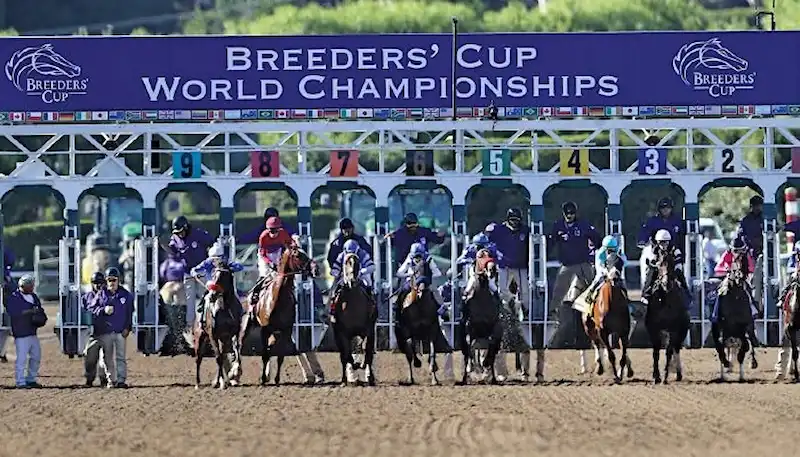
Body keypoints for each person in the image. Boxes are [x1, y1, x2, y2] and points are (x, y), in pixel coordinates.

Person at [546, 201, 602, 347]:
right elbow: (551, 243)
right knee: (558, 290)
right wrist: (544, 254)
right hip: (567, 264)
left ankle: (598, 310)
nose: (569, 216)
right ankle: (552, 314)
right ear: (563, 214)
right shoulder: (558, 226)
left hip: (583, 263)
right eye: (567, 213)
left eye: (571, 213)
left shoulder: (583, 225)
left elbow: (597, 239)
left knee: (593, 287)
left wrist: (597, 252)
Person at [85, 267, 135, 388]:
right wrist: (103, 310)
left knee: (120, 357)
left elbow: (130, 312)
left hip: (120, 331)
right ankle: (111, 380)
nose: (112, 283)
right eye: (109, 280)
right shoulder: (101, 294)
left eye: (114, 280)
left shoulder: (126, 295)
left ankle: (121, 380)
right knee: (107, 358)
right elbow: (92, 308)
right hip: (106, 332)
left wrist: (128, 328)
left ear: (118, 280)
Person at [168, 215, 215, 333]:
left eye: (181, 231)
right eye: (177, 232)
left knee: (206, 297)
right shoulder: (175, 238)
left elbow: (212, 242)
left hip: (201, 272)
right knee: (190, 301)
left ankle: (208, 323)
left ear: (186, 227)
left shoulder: (198, 234)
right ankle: (190, 328)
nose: (180, 234)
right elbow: (172, 250)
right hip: (188, 273)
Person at [190, 242, 245, 329]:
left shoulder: (226, 262)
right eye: (213, 259)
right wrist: (196, 274)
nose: (215, 262)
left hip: (225, 288)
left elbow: (240, 267)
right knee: (205, 300)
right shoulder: (207, 263)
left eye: (217, 259)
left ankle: (240, 316)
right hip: (212, 287)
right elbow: (194, 270)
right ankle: (202, 321)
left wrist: (231, 268)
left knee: (236, 299)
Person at [6, 275, 46, 388]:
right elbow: (14, 313)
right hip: (21, 332)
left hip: (32, 331)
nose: (32, 287)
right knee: (22, 358)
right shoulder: (14, 297)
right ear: (24, 285)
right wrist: (30, 311)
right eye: (30, 285)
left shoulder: (33, 296)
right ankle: (20, 381)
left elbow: (39, 309)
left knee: (36, 356)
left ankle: (31, 379)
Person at [485, 208, 530, 307]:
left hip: (520, 266)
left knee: (525, 292)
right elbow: (488, 238)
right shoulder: (499, 229)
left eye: (517, 220)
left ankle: (526, 310)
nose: (514, 222)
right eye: (512, 220)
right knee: (502, 290)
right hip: (504, 265)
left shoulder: (525, 230)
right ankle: (512, 303)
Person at [249, 216, 296, 305]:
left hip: (277, 253)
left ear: (279, 229)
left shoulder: (283, 233)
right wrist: (269, 263)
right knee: (264, 274)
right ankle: (255, 294)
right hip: (265, 255)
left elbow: (290, 243)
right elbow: (263, 253)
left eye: (275, 230)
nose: (273, 233)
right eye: (271, 231)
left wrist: (294, 243)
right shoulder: (263, 236)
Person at [640, 229, 690, 307]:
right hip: (659, 268)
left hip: (672, 267)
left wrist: (677, 265)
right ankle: (645, 295)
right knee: (650, 273)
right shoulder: (655, 250)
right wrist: (655, 265)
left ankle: (687, 296)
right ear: (658, 242)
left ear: (668, 242)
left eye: (665, 242)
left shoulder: (674, 248)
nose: (663, 245)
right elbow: (652, 260)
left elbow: (679, 257)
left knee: (680, 275)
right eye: (661, 242)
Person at [328, 239, 376, 318]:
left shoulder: (363, 254)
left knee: (369, 286)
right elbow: (335, 269)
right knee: (334, 289)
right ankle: (331, 310)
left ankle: (373, 306)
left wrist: (362, 271)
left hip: (361, 275)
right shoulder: (341, 255)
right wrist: (337, 273)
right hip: (345, 276)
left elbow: (372, 267)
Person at [396, 243, 447, 316]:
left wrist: (428, 275)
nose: (418, 259)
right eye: (416, 257)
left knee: (434, 290)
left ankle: (442, 308)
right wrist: (409, 274)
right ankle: (397, 308)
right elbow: (399, 273)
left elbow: (437, 273)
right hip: (412, 280)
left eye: (419, 257)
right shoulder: (409, 258)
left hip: (425, 280)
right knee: (403, 290)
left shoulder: (428, 259)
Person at [736, 195, 764, 313]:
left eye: (759, 206)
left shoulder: (765, 219)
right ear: (751, 207)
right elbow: (739, 237)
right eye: (756, 206)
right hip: (749, 255)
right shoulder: (746, 221)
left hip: (764, 254)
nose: (758, 208)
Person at [454, 233, 503, 299]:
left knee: (491, 283)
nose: (481, 249)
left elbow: (499, 258)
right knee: (473, 279)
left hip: (487, 270)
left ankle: (498, 298)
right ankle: (465, 295)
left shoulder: (491, 249)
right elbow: (459, 260)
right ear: (475, 245)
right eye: (479, 247)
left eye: (483, 247)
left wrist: (492, 261)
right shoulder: (470, 249)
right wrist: (470, 260)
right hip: (474, 269)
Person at [83, 271, 110, 387]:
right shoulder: (86, 297)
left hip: (106, 331)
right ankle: (89, 378)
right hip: (92, 333)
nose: (98, 285)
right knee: (89, 358)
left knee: (104, 359)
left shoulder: (108, 296)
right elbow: (84, 311)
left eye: (100, 283)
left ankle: (104, 379)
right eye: (95, 283)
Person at [585, 236, 628, 307]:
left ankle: (626, 300)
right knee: (597, 280)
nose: (611, 252)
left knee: (622, 285)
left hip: (615, 274)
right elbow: (599, 267)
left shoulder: (619, 253)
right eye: (609, 250)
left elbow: (625, 262)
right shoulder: (599, 254)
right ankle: (590, 294)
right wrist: (606, 272)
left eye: (613, 250)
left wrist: (617, 268)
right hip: (603, 274)